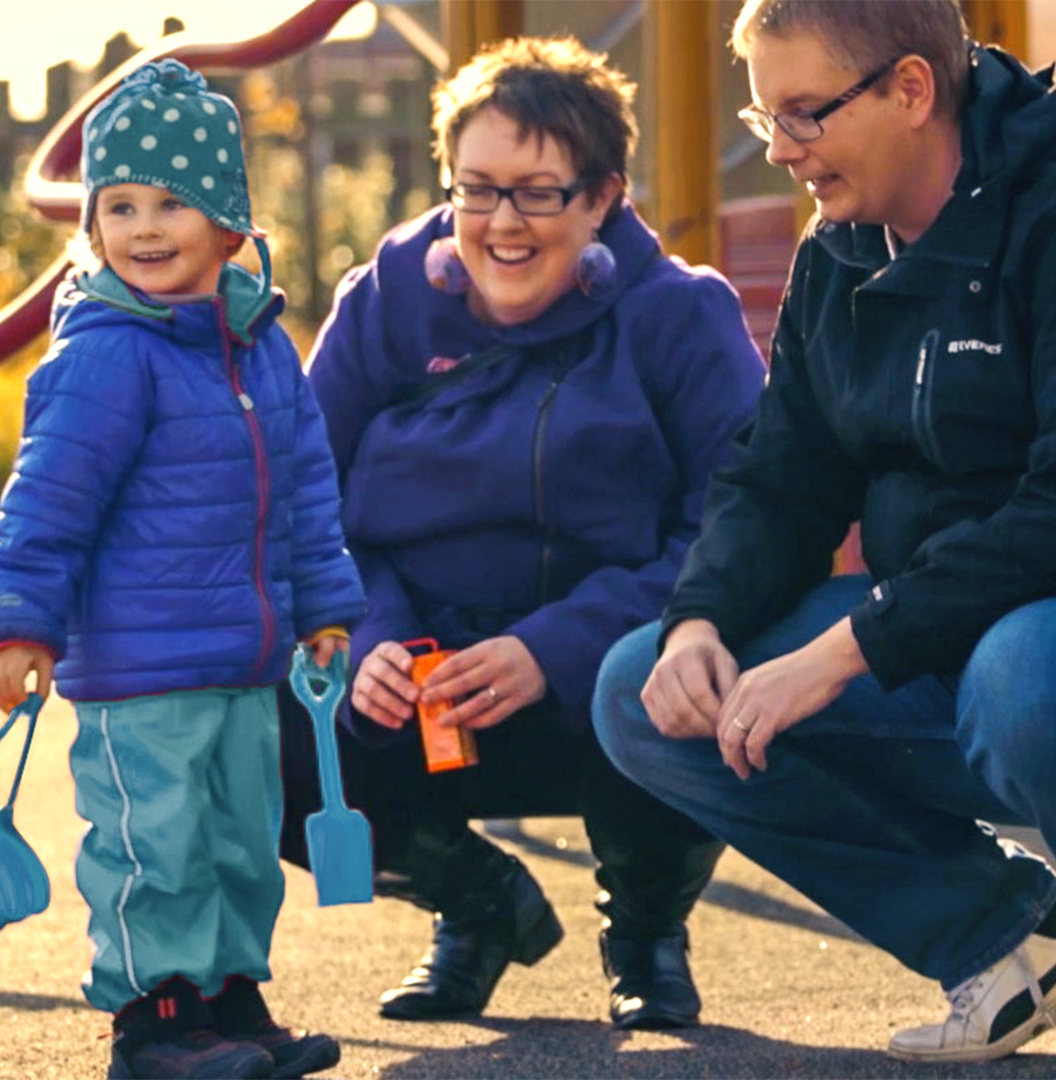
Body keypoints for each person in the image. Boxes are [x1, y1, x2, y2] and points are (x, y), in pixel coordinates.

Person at [593, 2, 1056, 1078]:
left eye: (805, 114)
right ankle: (1005, 941)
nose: (780, 149)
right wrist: (698, 621)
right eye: (768, 118)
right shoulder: (839, 256)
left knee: (1033, 667)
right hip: (984, 646)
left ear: (911, 90)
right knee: (642, 693)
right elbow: (779, 479)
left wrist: (845, 652)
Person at [274, 36, 765, 1030]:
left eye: (539, 193)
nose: (502, 222)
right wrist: (365, 635)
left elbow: (735, 527)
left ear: (603, 197)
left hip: (596, 680)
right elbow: (300, 501)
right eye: (477, 188)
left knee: (673, 665)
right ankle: (473, 903)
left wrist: (553, 650)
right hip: (422, 677)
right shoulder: (384, 302)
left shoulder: (680, 316)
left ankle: (646, 933)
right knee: (244, 719)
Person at [0, 59, 366, 1080]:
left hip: (243, 662)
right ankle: (155, 1023)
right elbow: (48, 498)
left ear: (231, 224)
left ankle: (231, 1000)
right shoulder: (106, 354)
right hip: (139, 672)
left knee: (241, 839)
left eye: (173, 203)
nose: (144, 227)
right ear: (92, 224)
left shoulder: (260, 346)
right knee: (157, 847)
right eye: (120, 205)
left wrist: (322, 604)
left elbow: (308, 490)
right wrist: (19, 620)